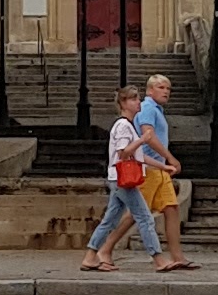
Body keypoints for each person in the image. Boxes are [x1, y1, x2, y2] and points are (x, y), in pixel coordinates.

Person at [83, 90, 154, 271]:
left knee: (110, 220)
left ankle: (91, 256)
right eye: (133, 98)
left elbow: (137, 155)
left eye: (138, 98)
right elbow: (124, 153)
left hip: (117, 177)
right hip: (122, 178)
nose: (138, 102)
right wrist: (143, 139)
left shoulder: (127, 125)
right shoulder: (123, 125)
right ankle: (158, 257)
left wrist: (163, 166)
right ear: (123, 103)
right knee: (144, 217)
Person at [136, 67, 194, 271]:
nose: (166, 91)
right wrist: (170, 157)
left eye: (168, 88)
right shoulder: (147, 108)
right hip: (149, 168)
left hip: (159, 169)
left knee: (172, 208)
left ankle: (178, 257)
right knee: (134, 213)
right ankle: (103, 249)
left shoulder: (156, 110)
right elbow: (148, 136)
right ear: (149, 90)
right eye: (161, 87)